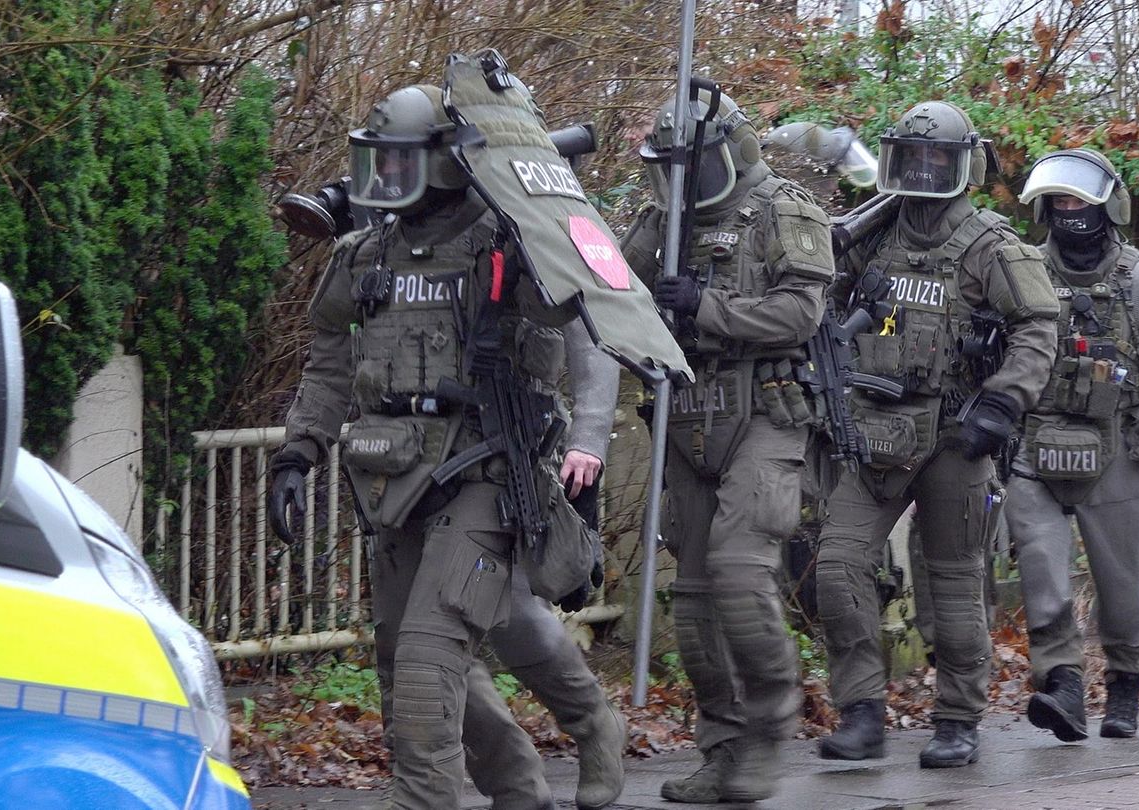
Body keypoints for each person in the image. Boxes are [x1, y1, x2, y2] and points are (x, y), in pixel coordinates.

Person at [268, 82, 625, 810]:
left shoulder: (504, 246)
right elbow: (330, 356)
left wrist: (534, 226)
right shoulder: (366, 254)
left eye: (401, 164)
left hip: (484, 468)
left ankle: (580, 730)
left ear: (442, 162)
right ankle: (517, 784)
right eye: (379, 165)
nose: (385, 182)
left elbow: (586, 313)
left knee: (432, 658)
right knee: (406, 659)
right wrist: (296, 452)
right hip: (393, 472)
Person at [813, 101, 1059, 768]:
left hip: (958, 434)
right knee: (837, 567)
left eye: (935, 160)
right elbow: (823, 300)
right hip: (874, 430)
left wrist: (1002, 403)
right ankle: (862, 709)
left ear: (961, 165)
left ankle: (957, 718)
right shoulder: (872, 233)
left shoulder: (991, 245)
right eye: (910, 158)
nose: (921, 170)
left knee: (953, 581)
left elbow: (1040, 328)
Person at [619, 86, 834, 803]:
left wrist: (707, 307)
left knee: (742, 576)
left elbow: (802, 311)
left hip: (765, 409)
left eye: (695, 167)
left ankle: (772, 726)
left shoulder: (784, 211)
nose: (683, 183)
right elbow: (613, 287)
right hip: (685, 414)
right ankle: (722, 743)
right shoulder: (662, 220)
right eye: (671, 170)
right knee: (695, 599)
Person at [1009, 148, 1139, 741]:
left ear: (1106, 208)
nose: (1069, 211)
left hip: (1120, 450)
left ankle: (1125, 683)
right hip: (1034, 447)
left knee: (1123, 586)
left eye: (1080, 200)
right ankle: (1063, 684)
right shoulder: (1020, 271)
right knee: (1042, 572)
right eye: (1060, 201)